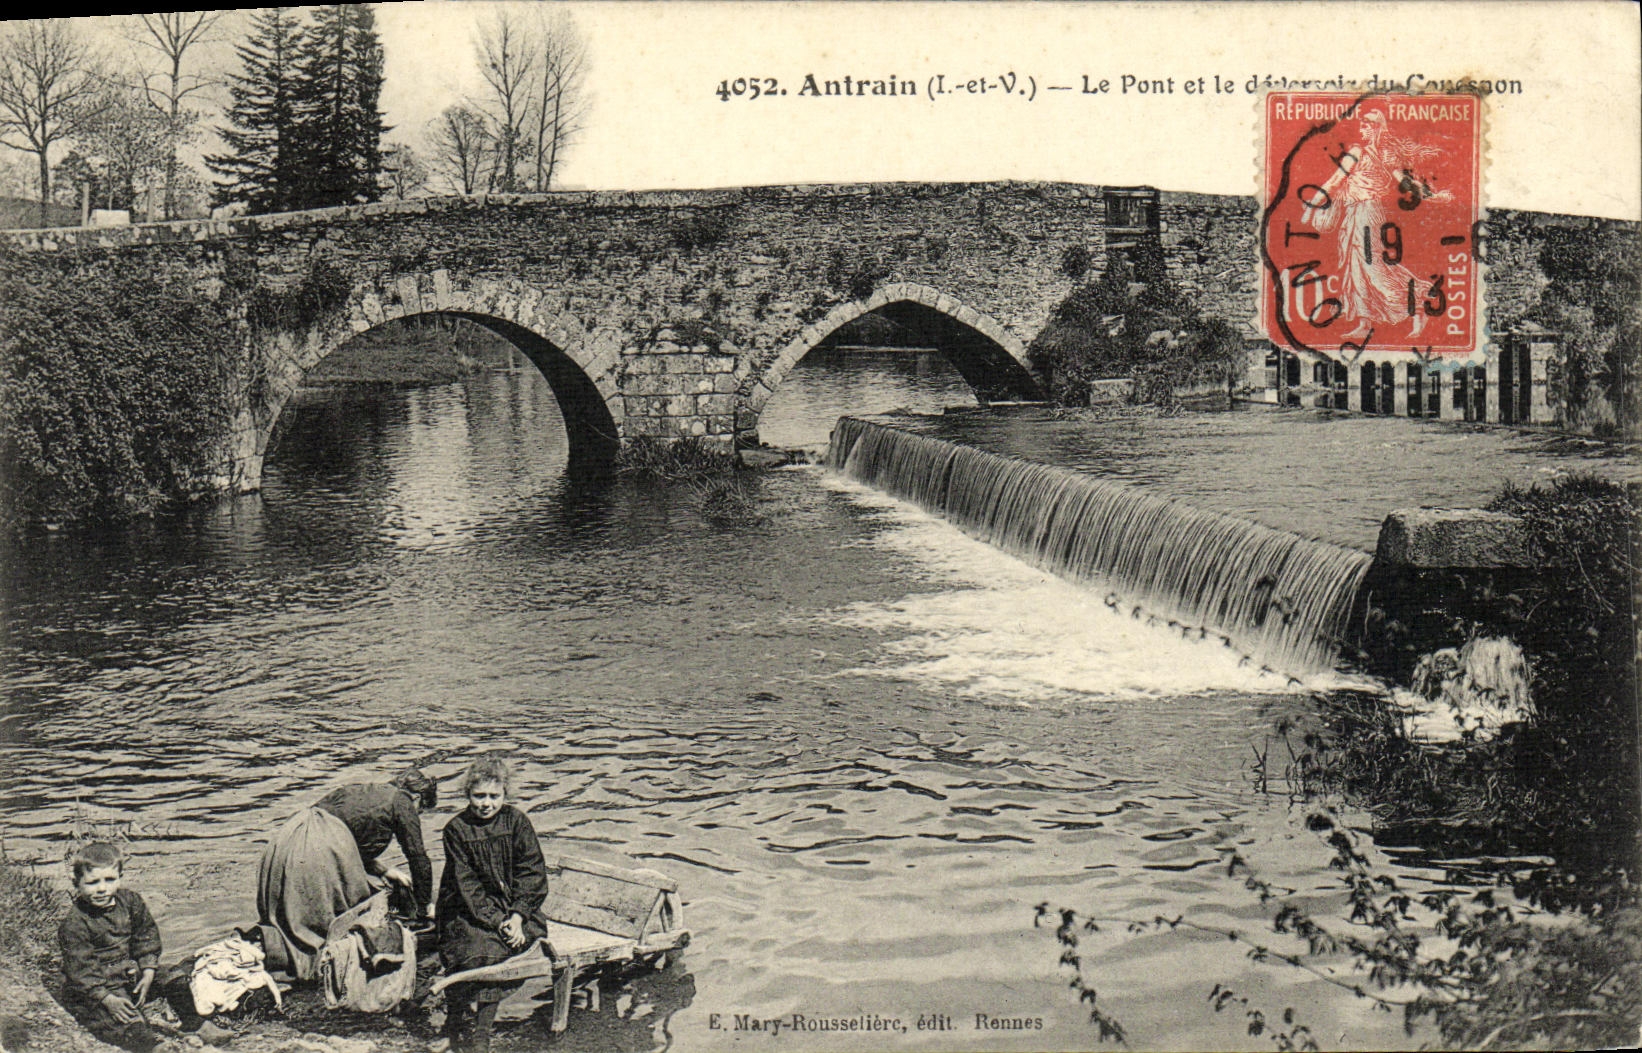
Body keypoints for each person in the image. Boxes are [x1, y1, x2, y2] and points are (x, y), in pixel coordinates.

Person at [256, 766, 436, 980]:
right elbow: (418, 858)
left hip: (286, 840)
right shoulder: (402, 801)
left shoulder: (362, 791)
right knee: (328, 926)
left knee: (292, 919)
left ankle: (272, 949)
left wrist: (384, 870)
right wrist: (425, 906)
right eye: (421, 811)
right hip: (316, 850)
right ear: (416, 798)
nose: (417, 815)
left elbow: (349, 834)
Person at [437, 756, 549, 1053]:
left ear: (505, 794)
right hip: (467, 910)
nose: (486, 803)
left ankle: (481, 1035)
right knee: (477, 950)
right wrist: (499, 920)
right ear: (467, 795)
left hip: (514, 909)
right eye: (479, 796)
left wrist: (518, 915)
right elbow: (467, 886)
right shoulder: (456, 829)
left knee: (500, 949)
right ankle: (457, 1018)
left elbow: (533, 872)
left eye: (493, 796)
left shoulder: (517, 822)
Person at [57, 842, 176, 1052]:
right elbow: (81, 971)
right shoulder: (74, 924)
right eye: (92, 882)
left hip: (130, 973)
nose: (102, 888)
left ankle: (197, 1024)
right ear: (77, 883)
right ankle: (153, 1045)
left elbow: (145, 936)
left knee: (175, 977)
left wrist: (148, 972)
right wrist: (107, 998)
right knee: (128, 1021)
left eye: (110, 880)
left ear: (120, 876)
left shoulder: (130, 901)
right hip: (100, 985)